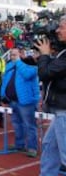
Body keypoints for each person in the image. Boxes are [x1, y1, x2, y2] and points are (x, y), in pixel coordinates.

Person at [35, 15, 66, 176]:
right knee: (49, 146)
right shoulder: (62, 51)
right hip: (60, 110)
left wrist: (45, 55)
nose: (57, 30)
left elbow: (45, 73)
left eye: (61, 27)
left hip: (64, 111)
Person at [0, 48, 40, 158]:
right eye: (11, 55)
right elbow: (5, 81)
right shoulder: (10, 66)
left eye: (15, 55)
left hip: (26, 101)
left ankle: (32, 147)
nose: (12, 57)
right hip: (13, 100)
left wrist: (18, 62)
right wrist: (3, 95)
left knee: (29, 125)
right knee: (17, 124)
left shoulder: (31, 65)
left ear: (21, 55)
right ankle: (19, 144)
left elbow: (27, 74)